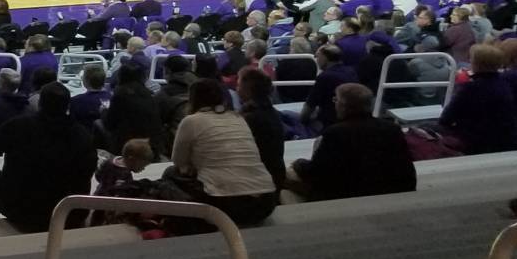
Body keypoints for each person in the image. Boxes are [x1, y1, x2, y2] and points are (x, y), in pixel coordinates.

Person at [0, 82, 98, 232]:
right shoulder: (83, 135)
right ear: (67, 106)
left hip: (24, 211)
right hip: (70, 214)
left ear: (40, 103)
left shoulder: (18, 126)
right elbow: (88, 172)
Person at [167, 78, 278, 228]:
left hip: (225, 204)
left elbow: (178, 161)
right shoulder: (238, 118)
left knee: (170, 174)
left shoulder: (191, 121)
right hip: (266, 201)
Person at [293, 82, 417, 200]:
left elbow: (317, 173)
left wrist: (299, 164)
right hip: (391, 191)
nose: (334, 103)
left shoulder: (335, 133)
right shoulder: (392, 128)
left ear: (342, 106)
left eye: (336, 100)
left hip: (348, 195)